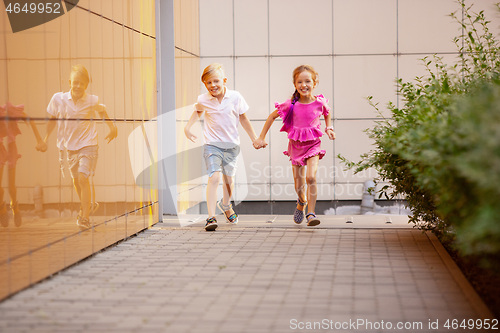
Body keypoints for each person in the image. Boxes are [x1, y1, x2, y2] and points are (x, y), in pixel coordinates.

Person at [37, 64, 118, 230]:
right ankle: (87, 204)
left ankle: (85, 217)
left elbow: (102, 112)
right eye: (75, 82)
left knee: (82, 177)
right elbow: (52, 120)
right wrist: (45, 139)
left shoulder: (91, 100)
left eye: (82, 83)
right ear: (69, 82)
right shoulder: (58, 99)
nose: (78, 86)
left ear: (86, 85)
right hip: (70, 146)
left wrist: (112, 127)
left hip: (88, 144)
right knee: (75, 180)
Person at [184, 63, 263, 231]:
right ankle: (211, 217)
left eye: (216, 81)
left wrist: (254, 138)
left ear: (224, 81)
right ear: (205, 84)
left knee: (229, 180)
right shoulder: (203, 99)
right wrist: (187, 127)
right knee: (214, 178)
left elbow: (243, 118)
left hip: (231, 145)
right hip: (212, 145)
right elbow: (198, 111)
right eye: (208, 83)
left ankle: (226, 205)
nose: (212, 85)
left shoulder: (235, 97)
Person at [254, 65, 335, 226]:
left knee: (311, 177)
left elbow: (327, 112)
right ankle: (302, 201)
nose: (304, 85)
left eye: (308, 81)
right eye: (300, 82)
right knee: (299, 185)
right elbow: (271, 117)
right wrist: (261, 137)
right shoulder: (290, 104)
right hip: (296, 147)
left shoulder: (319, 103)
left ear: (314, 82)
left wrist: (329, 128)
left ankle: (311, 214)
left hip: (313, 145)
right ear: (295, 84)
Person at [0, 102, 44, 227]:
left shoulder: (9, 110)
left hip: (10, 147)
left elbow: (29, 119)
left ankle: (15, 206)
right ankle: (2, 207)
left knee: (11, 187)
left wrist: (39, 139)